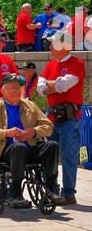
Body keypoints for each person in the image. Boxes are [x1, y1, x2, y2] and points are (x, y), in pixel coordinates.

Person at [0, 73, 59, 209]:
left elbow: (48, 126)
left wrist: (33, 132)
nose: (16, 91)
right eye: (11, 88)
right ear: (3, 90)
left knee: (52, 146)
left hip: (30, 149)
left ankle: (51, 189)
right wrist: (5, 133)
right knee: (19, 147)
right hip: (5, 151)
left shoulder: (30, 106)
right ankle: (16, 195)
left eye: (18, 88)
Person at [37, 28, 85, 205]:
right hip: (53, 116)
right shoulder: (52, 64)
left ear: (64, 45)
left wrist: (52, 84)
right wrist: (54, 84)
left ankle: (68, 193)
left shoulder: (77, 63)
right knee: (48, 154)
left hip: (70, 117)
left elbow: (64, 85)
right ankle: (51, 190)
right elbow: (40, 88)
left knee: (68, 155)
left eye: (53, 43)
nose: (49, 46)